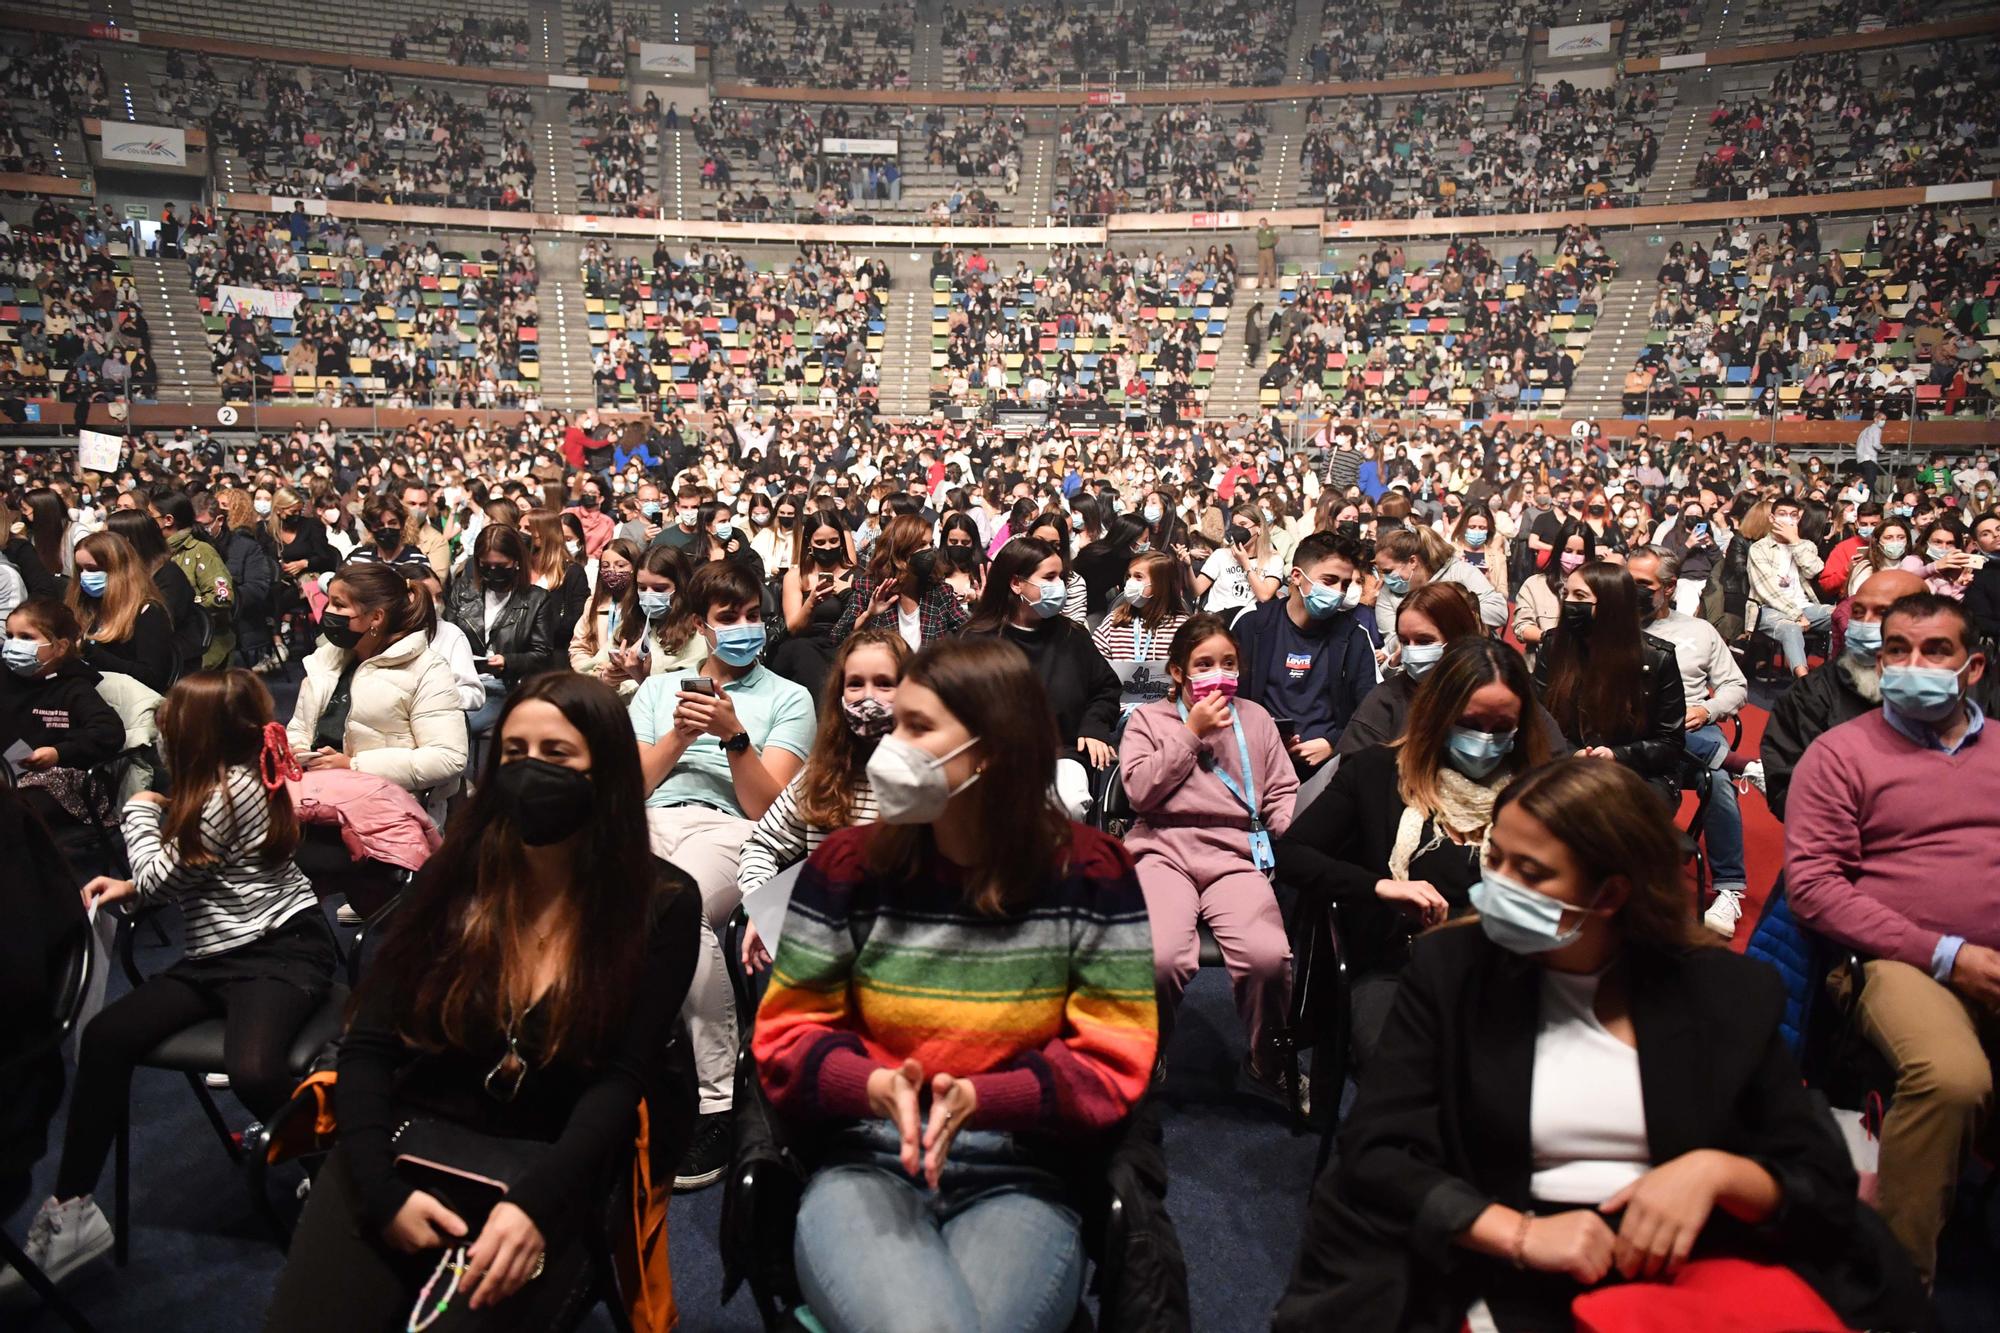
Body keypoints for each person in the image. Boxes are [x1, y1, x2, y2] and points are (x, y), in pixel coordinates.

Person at [1275, 757, 1926, 1333]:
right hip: (1497, 1253)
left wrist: (1717, 1172)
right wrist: (1523, 1234)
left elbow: (1814, 1171)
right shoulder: (1453, 968)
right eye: (1493, 855)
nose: (1493, 884)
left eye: (1528, 871)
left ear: (1611, 893)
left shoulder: (1726, 993)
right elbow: (1381, 1150)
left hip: (1685, 1265)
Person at [264, 673, 701, 1331]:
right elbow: (371, 1041)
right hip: (408, 1141)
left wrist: (537, 1205)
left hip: (548, 1164)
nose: (530, 770)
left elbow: (620, 1082)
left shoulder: (659, 903)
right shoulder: (457, 875)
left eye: (557, 755)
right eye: (515, 753)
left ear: (604, 771)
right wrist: (380, 1188)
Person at [752, 636, 1157, 1333]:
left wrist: (984, 1097)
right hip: (865, 1162)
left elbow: (1113, 1055)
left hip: (1023, 1171)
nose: (887, 742)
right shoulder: (849, 864)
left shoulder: (1093, 873)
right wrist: (874, 1086)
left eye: (916, 726)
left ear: (992, 748)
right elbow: (786, 1034)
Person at [5, 671, 337, 1298]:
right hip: (220, 952)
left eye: (170, 718)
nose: (160, 725)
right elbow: (191, 874)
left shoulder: (225, 792)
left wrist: (137, 811)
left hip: (280, 949)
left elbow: (161, 881)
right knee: (107, 1038)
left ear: (196, 732)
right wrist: (138, 879)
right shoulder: (223, 779)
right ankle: (72, 1209)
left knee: (256, 1071)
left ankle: (339, 1177)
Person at [1785, 592, 2000, 1286]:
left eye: (1935, 651)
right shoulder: (1841, 752)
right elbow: (1814, 888)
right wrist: (1949, 955)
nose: (1913, 664)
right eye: (1898, 650)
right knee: (1952, 1076)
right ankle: (1896, 1289)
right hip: (1897, 958)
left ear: (1973, 666)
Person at [1277, 639, 1551, 1072]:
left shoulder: (1540, 789)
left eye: (1502, 727)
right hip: (1398, 966)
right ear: (1437, 715)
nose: (1485, 740)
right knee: (1410, 1068)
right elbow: (1290, 855)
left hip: (1512, 964)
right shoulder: (1376, 772)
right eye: (1470, 723)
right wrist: (1379, 887)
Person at [628, 558, 815, 1189]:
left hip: (732, 830)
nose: (743, 628)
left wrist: (735, 737)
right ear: (703, 628)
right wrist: (682, 736)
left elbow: (771, 809)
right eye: (727, 618)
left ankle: (716, 1096)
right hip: (652, 819)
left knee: (677, 910)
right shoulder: (658, 689)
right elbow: (632, 787)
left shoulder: (790, 698)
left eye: (752, 616)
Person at [1119, 613, 1298, 1085]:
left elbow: (1282, 792)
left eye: (1228, 663)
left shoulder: (1255, 718)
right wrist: (1190, 731)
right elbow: (1139, 791)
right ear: (1178, 671)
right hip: (1161, 848)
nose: (1218, 673)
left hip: (1234, 855)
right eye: (1203, 663)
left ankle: (1267, 1060)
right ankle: (1149, 1053)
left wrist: (1293, 837)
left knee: (1267, 957)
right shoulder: (1147, 718)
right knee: (1159, 956)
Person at [737, 629, 910, 971]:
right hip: (830, 950)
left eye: (885, 684)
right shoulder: (821, 773)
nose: (868, 697)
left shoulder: (932, 778)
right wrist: (763, 905)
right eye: (855, 684)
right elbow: (762, 845)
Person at [1625, 546, 1752, 937]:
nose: (1632, 591)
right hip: (1632, 736)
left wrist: (1709, 711)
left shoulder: (1699, 631)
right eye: (1627, 582)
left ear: (1668, 587)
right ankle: (1739, 764)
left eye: (1643, 584)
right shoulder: (1612, 627)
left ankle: (1730, 890)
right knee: (1717, 766)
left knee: (1716, 784)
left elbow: (1735, 686)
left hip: (1695, 732)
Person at [287, 561, 469, 827]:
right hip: (315, 796)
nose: (327, 612)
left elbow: (447, 758)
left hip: (383, 804)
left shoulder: (426, 669)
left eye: (339, 605)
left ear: (376, 618)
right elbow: (299, 728)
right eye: (329, 603)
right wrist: (298, 751)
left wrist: (352, 765)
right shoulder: (324, 660)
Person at [962, 537, 1121, 818]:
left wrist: (1093, 725)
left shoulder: (1073, 636)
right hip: (993, 756)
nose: (1059, 586)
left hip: (1061, 753)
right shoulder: (975, 641)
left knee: (1067, 804)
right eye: (1049, 577)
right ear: (1016, 583)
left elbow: (1105, 688)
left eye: (1061, 576)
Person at [1340, 583, 1565, 759]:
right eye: (1405, 642)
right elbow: (1351, 769)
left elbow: (1551, 758)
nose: (1412, 652)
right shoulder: (1387, 699)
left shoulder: (1501, 690)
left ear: (1459, 637)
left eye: (1425, 641)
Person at [1533, 561, 1684, 805]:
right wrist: (1572, 754)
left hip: (1636, 772)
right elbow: (1536, 717)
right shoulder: (1555, 645)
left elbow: (1670, 743)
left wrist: (1617, 756)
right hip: (1564, 764)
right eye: (1566, 594)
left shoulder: (1658, 658)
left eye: (1580, 595)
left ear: (1611, 605)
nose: (1569, 602)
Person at [1229, 530, 1376, 779]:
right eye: (1329, 581)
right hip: (1256, 760)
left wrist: (1333, 744)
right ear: (1296, 576)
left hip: (1327, 768)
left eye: (1345, 584)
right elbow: (1229, 696)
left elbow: (1370, 714)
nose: (1338, 592)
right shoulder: (1253, 623)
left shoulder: (1354, 636)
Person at [1, 597, 124, 849]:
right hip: (7, 773)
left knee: (10, 812)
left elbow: (108, 731)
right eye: (9, 636)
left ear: (59, 647)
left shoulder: (74, 687)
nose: (14, 645)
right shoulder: (5, 678)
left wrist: (59, 752)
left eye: (25, 638)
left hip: (61, 779)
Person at [444, 526, 559, 747]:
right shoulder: (463, 591)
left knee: (457, 726)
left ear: (516, 561)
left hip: (507, 685)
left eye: (501, 566)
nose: (493, 572)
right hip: (461, 680)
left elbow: (542, 654)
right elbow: (448, 636)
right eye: (486, 566)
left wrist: (508, 661)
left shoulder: (537, 599)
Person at [833, 513, 969, 651]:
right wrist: (869, 615)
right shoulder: (870, 588)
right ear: (900, 549)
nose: (929, 550)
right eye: (921, 544)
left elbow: (968, 631)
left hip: (927, 670)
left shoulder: (939, 591)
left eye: (931, 543)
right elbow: (838, 638)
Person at [68, 531, 177, 693]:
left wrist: (90, 652)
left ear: (118, 569)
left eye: (92, 569)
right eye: (80, 569)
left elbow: (152, 678)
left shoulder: (148, 612)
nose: (84, 576)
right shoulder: (85, 605)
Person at [1373, 525, 1506, 656]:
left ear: (1412, 561)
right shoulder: (1387, 593)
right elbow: (1393, 642)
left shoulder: (1460, 572)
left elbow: (1498, 612)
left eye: (1388, 571)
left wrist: (1445, 616)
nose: (1385, 578)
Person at [106, 509, 201, 681]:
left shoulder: (169, 574)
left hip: (171, 658)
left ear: (126, 542)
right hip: (130, 649)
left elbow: (160, 625)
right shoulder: (124, 573)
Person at [772, 508, 858, 697]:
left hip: (845, 643)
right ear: (809, 544)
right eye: (820, 542)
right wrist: (811, 602)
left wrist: (845, 592)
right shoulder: (796, 577)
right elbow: (794, 628)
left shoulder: (857, 575)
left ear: (841, 543)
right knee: (801, 650)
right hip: (805, 644)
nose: (827, 547)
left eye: (833, 541)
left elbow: (862, 622)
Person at [1748, 494, 1831, 678]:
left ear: (1799, 518)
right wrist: (1796, 614)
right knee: (1790, 627)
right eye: (1782, 514)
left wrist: (1794, 541)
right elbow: (1768, 592)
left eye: (1793, 515)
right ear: (1772, 518)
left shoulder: (1806, 545)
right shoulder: (1759, 548)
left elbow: (1814, 570)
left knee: (1840, 615)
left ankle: (1836, 674)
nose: (1788, 519)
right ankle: (1804, 683)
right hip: (1769, 609)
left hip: (1805, 606)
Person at [149, 491, 234, 670]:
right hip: (167, 638)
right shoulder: (155, 553)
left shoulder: (200, 551)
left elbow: (222, 597)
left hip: (201, 642)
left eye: (150, 516)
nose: (146, 522)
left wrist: (188, 607)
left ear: (168, 520)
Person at [1510, 524, 1594, 671]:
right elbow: (1521, 627)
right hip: (1540, 665)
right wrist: (1548, 638)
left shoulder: (1597, 586)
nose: (1573, 557)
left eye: (1580, 553)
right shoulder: (1535, 584)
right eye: (1568, 551)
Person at [1090, 549, 1190, 663]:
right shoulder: (1115, 621)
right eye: (1129, 576)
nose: (1130, 582)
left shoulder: (1182, 628)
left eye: (1138, 577)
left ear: (1160, 585)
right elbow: (1094, 665)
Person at [567, 536, 640, 682]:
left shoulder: (643, 604)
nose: (612, 571)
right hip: (597, 682)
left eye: (620, 566)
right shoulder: (594, 603)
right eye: (605, 566)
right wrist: (596, 676)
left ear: (635, 567)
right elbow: (579, 647)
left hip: (633, 683)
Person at [521, 509, 591, 646]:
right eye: (519, 527)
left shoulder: (572, 572)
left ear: (544, 533)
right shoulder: (518, 568)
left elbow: (576, 620)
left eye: (528, 528)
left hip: (554, 650)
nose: (521, 532)